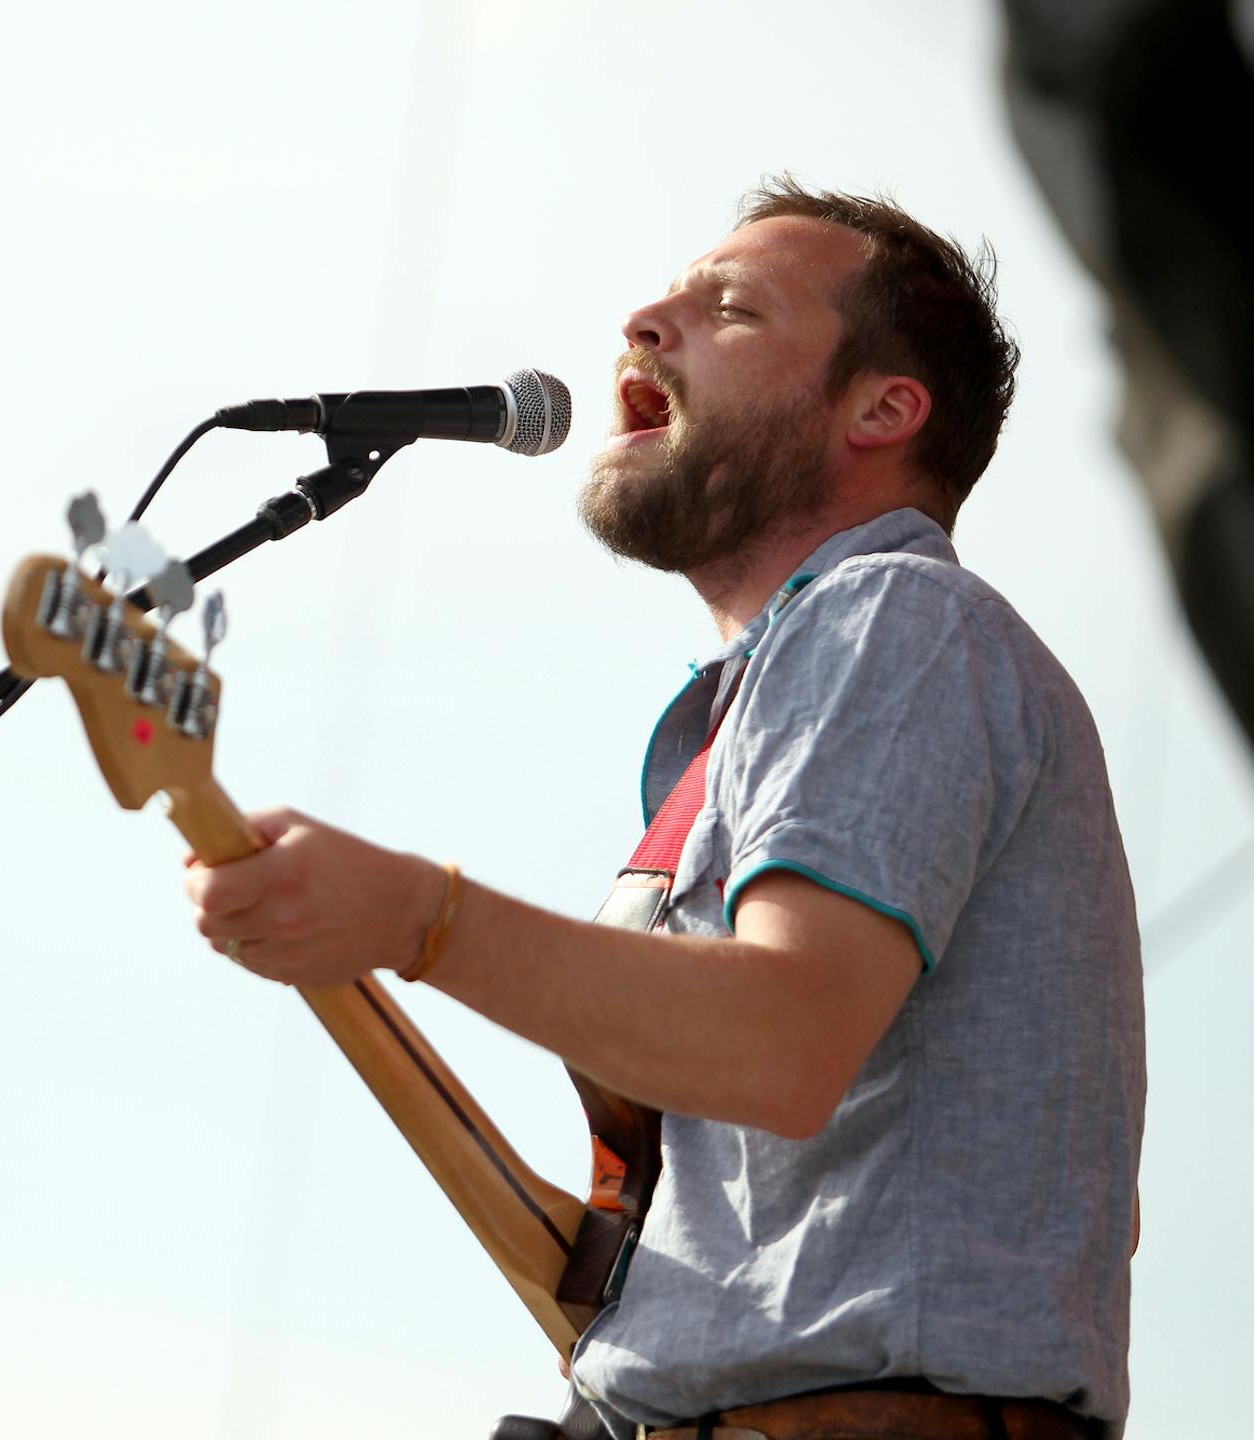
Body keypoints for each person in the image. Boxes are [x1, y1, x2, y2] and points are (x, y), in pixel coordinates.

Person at [183, 182, 1143, 1439]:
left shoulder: (897, 620)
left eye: (729, 307)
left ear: (882, 408)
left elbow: (782, 1045)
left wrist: (421, 918)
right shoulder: (776, 692)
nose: (643, 320)